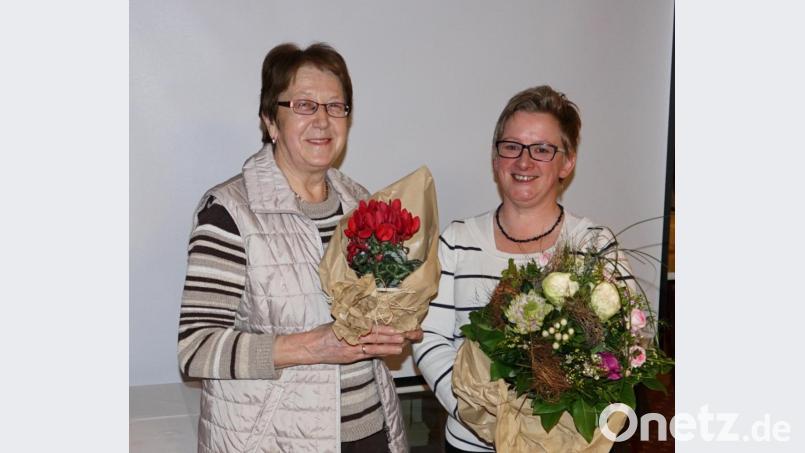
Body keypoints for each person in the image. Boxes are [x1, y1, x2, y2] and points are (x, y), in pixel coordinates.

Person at [177, 42, 421, 453]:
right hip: (275, 442)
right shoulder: (231, 212)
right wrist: (313, 346)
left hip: (371, 433)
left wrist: (397, 324)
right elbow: (195, 349)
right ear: (271, 121)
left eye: (336, 106)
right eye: (305, 105)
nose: (323, 121)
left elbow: (375, 308)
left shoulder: (362, 203)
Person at [412, 85, 631, 452]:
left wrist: (545, 430)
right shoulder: (457, 240)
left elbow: (623, 348)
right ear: (496, 159)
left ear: (567, 162)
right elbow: (430, 341)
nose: (524, 162)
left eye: (542, 150)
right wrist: (483, 418)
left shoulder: (595, 245)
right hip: (472, 442)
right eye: (511, 147)